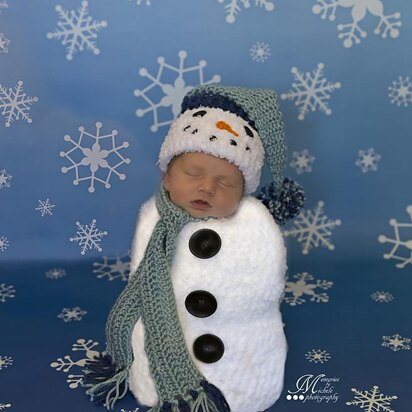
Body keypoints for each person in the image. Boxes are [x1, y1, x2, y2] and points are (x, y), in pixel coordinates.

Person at [83, 84, 304, 412]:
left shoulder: (256, 225)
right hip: (163, 342)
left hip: (243, 354)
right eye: (192, 173)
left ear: (243, 191)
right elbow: (142, 285)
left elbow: (264, 291)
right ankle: (167, 379)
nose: (207, 187)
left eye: (226, 182)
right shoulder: (153, 219)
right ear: (167, 176)